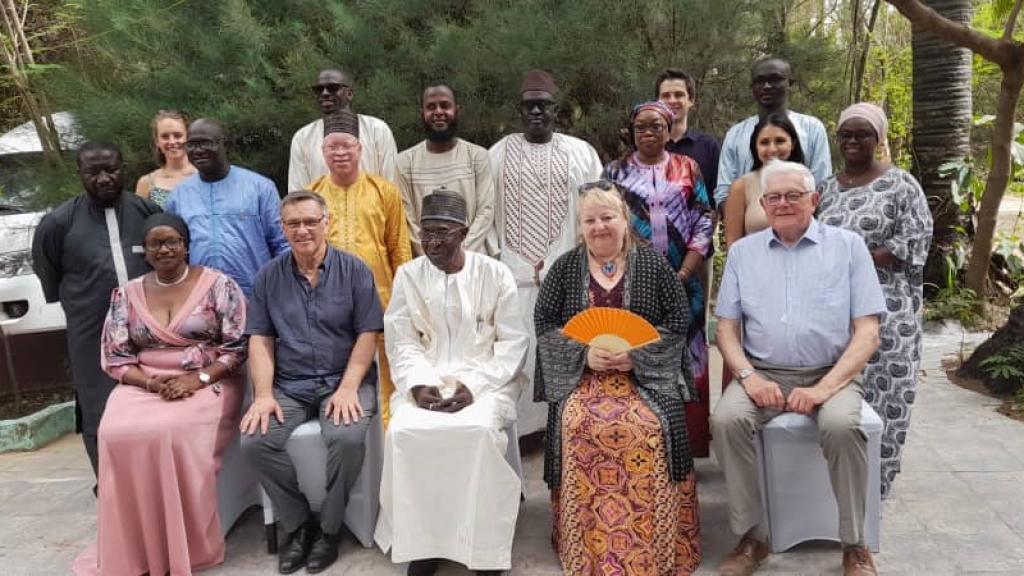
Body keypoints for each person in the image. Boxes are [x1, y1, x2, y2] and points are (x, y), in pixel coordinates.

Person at [712, 160, 885, 576]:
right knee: (726, 420)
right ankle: (753, 536)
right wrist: (749, 378)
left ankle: (855, 545)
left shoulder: (847, 247)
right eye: (774, 197)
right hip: (764, 370)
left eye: (794, 195)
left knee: (842, 426)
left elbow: (868, 333)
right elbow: (726, 329)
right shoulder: (742, 253)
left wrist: (824, 389)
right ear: (763, 204)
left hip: (833, 372)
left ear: (814, 200)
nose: (783, 203)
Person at [535, 181, 701, 575]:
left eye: (608, 217)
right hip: (583, 379)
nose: (599, 227)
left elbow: (679, 321)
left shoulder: (654, 265)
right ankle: (586, 547)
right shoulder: (564, 269)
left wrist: (638, 356)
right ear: (580, 226)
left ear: (625, 220)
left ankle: (654, 545)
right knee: (577, 423)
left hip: (646, 381)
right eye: (589, 220)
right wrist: (584, 353)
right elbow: (544, 324)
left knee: (647, 428)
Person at [72, 213, 248, 576]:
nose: (164, 248)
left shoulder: (219, 286)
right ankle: (137, 544)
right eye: (156, 243)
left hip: (207, 378)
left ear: (186, 246)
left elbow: (237, 347)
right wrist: (151, 384)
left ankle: (185, 542)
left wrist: (197, 379)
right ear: (145, 251)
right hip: (144, 382)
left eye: (172, 241)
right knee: (114, 433)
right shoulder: (128, 293)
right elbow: (116, 355)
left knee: (170, 432)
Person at [375, 190, 528, 576]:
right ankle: (422, 543)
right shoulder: (409, 274)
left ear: (463, 233)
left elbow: (512, 344)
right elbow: (401, 339)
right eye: (426, 233)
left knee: (476, 431)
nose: (432, 243)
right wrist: (416, 383)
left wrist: (473, 386)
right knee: (404, 432)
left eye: (442, 232)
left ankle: (482, 547)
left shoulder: (495, 274)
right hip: (424, 382)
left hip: (487, 380)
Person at [240, 190, 382, 575]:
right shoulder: (268, 277)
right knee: (254, 441)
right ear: (283, 228)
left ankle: (330, 529)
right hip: (291, 383)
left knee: (347, 438)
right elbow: (261, 339)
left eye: (310, 221)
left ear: (326, 223)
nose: (302, 230)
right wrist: (264, 395)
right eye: (293, 223)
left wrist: (350, 386)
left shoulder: (355, 271)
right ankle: (300, 524)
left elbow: (368, 333)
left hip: (344, 378)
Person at [817, 103, 933, 499]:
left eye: (862, 134)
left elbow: (912, 242)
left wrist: (854, 260)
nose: (852, 141)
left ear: (878, 139)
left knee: (888, 395)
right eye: (845, 134)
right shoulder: (827, 188)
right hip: (836, 310)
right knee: (841, 394)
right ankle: (839, 486)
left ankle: (876, 487)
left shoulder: (902, 185)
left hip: (889, 310)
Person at [31, 142, 161, 476]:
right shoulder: (58, 224)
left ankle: (153, 481)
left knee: (154, 405)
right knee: (98, 411)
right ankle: (108, 486)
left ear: (123, 168)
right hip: (92, 335)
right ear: (80, 174)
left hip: (151, 332)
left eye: (111, 170)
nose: (103, 178)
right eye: (93, 172)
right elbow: (52, 279)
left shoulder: (146, 213)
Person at [489, 69, 603, 434]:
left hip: (567, 271)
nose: (536, 113)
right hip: (514, 274)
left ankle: (565, 427)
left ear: (556, 110)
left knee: (566, 349)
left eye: (544, 106)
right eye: (529, 107)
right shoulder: (497, 154)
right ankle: (519, 434)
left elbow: (598, 208)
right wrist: (498, 259)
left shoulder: (580, 152)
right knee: (517, 355)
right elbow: (486, 212)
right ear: (519, 112)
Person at [604, 100, 715, 457]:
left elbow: (704, 217)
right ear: (632, 131)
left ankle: (688, 444)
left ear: (669, 130)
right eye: (641, 127)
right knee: (641, 352)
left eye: (656, 126)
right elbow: (606, 222)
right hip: (634, 283)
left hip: (686, 281)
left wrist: (685, 269)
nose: (648, 133)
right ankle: (643, 447)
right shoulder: (615, 172)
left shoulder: (688, 167)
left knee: (688, 354)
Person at [309, 109, 411, 428]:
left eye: (347, 146)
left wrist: (402, 300)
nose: (340, 153)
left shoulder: (385, 192)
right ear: (323, 152)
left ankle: (390, 446)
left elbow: (399, 248)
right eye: (332, 147)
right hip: (329, 306)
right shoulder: (313, 195)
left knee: (387, 380)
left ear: (360, 150)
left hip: (380, 300)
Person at [166, 118, 289, 297]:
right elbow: (174, 252)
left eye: (206, 143)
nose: (198, 151)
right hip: (199, 299)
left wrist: (281, 290)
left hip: (255, 296)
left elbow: (282, 243)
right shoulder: (178, 196)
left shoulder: (260, 188)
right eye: (192, 145)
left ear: (227, 145)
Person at [716, 57, 831, 209]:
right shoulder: (735, 135)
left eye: (775, 79)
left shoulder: (812, 128)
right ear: (752, 87)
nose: (767, 86)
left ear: (790, 83)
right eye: (760, 81)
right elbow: (724, 193)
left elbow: (822, 186)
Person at [395, 83, 495, 256]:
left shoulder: (478, 156)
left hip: (473, 259)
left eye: (445, 105)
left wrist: (458, 254)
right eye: (431, 107)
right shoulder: (405, 162)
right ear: (422, 113)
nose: (438, 112)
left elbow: (486, 212)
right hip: (426, 262)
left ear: (457, 111)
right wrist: (432, 253)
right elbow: (406, 219)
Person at [289, 67, 398, 189]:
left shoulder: (377, 130)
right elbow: (297, 192)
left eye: (333, 88)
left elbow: (391, 183)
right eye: (318, 90)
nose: (325, 93)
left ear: (349, 93)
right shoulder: (303, 137)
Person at [723, 112, 806, 249]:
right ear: (755, 147)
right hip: (754, 267)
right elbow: (733, 246)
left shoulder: (806, 181)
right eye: (764, 142)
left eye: (780, 141)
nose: (772, 149)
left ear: (793, 143)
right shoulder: (742, 187)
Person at [657, 68, 721, 196]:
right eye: (665, 96)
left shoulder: (708, 146)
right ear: (657, 102)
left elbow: (720, 195)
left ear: (691, 100)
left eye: (679, 95)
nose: (672, 100)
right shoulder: (646, 146)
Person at [135, 109, 196, 208]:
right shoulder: (146, 183)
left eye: (177, 135)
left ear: (188, 137)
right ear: (157, 141)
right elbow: (138, 220)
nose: (172, 141)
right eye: (165, 136)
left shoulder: (205, 176)